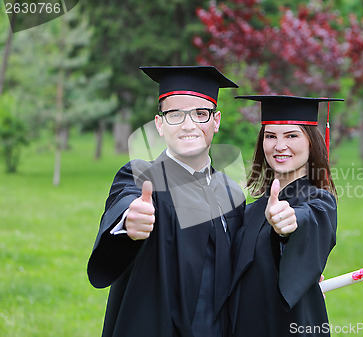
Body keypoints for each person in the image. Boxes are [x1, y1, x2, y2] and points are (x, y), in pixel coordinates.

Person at [87, 66, 246, 337]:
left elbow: (246, 262)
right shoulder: (142, 176)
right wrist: (129, 221)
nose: (188, 125)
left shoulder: (232, 194)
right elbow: (126, 203)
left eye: (200, 113)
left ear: (216, 121)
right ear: (160, 124)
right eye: (175, 115)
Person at [229, 95, 341, 337]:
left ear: (311, 143)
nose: (279, 146)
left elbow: (308, 219)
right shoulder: (251, 211)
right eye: (271, 136)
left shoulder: (319, 201)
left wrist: (289, 224)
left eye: (291, 135)